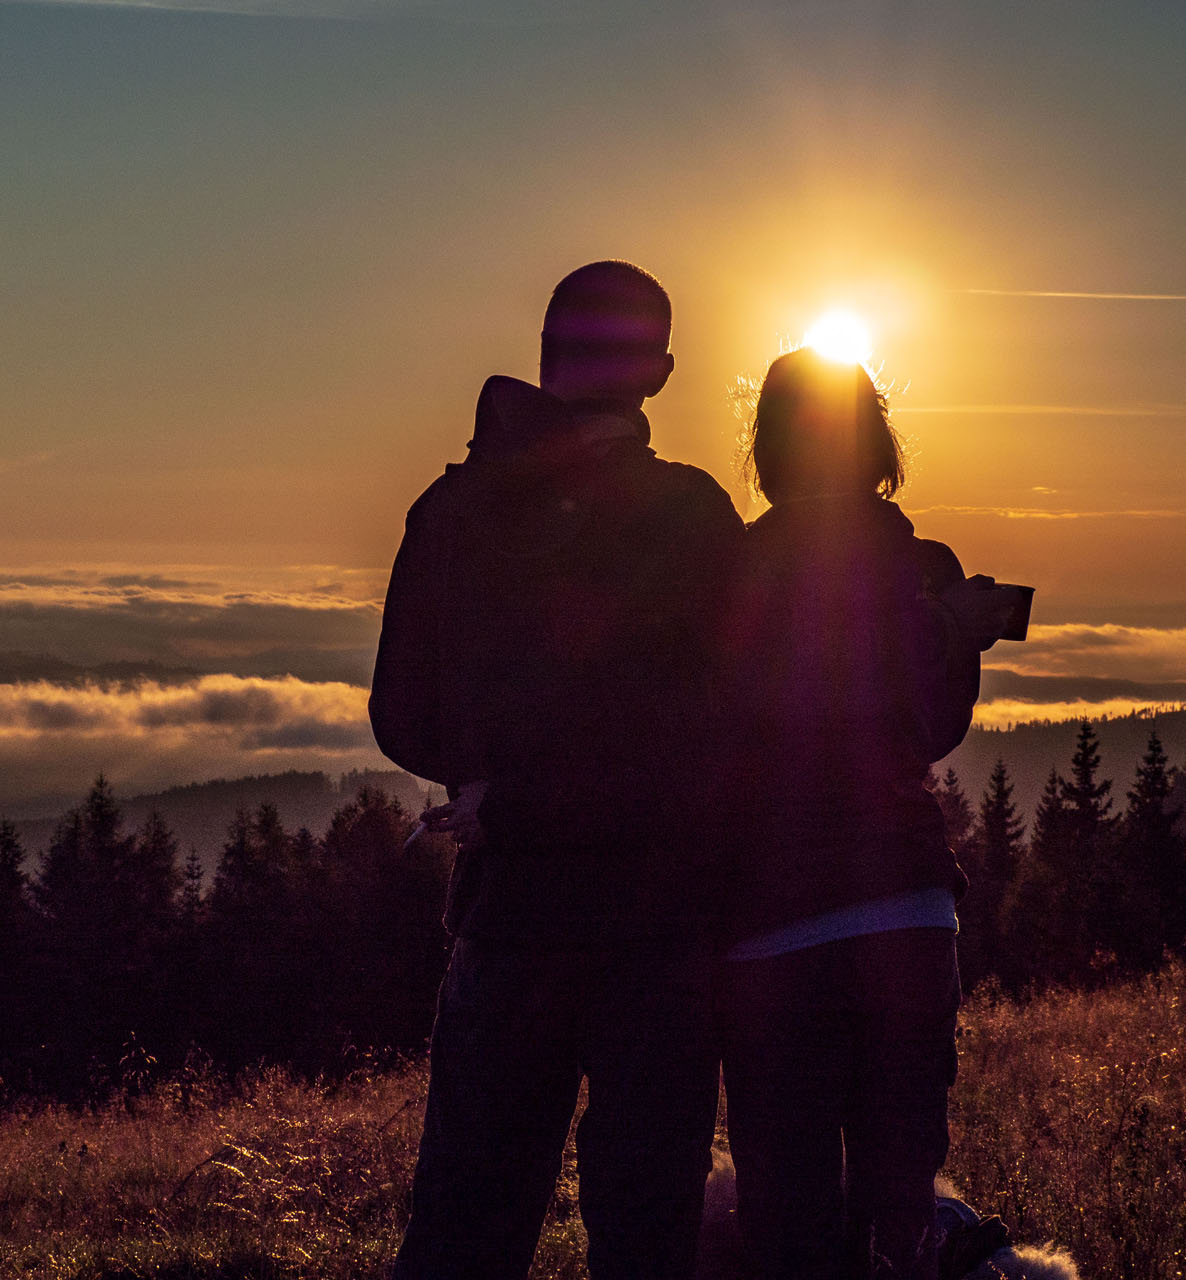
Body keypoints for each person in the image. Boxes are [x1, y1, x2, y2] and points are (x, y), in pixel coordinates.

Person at [371, 261, 745, 1280]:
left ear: (545, 356)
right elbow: (730, 726)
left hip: (512, 925)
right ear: (659, 373)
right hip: (661, 936)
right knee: (645, 1235)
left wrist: (505, 785)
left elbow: (401, 717)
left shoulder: (451, 511)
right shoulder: (697, 519)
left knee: (465, 1230)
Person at [716, 349, 1010, 1280]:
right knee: (897, 1208)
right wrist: (952, 631)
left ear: (767, 446)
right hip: (901, 910)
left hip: (767, 923)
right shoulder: (927, 571)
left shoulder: (731, 569)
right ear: (878, 437)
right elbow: (935, 728)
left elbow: (723, 717)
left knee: (786, 1209)